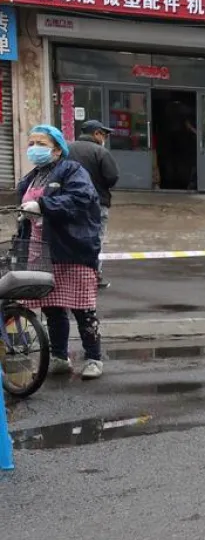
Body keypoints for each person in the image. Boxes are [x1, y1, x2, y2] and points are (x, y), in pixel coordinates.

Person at [17, 125, 104, 379]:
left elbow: (81, 199)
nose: (34, 148)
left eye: (40, 143)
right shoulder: (34, 175)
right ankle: (59, 356)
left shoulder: (72, 170)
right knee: (52, 307)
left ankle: (93, 358)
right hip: (41, 249)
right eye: (31, 143)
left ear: (56, 149)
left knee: (82, 307)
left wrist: (43, 204)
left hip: (71, 249)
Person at [70, 120, 119, 287]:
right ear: (96, 133)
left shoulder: (66, 149)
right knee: (95, 238)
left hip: (69, 202)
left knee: (70, 236)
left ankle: (70, 276)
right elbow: (112, 178)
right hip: (97, 203)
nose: (104, 138)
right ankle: (93, 276)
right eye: (103, 135)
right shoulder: (101, 152)